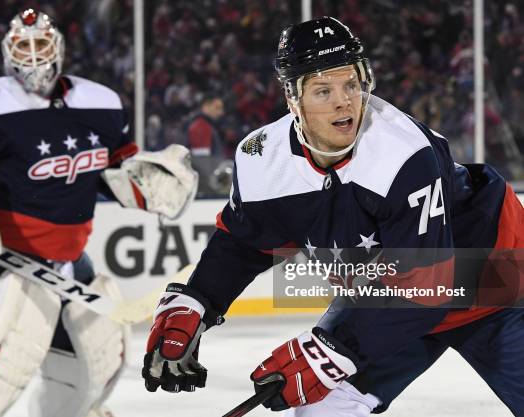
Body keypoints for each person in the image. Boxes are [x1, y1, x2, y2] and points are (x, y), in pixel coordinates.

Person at [141, 17, 524, 416]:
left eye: (350, 85)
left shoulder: (402, 153)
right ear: (293, 100)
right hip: (391, 294)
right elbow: (246, 240)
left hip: (492, 278)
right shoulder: (261, 157)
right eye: (323, 90)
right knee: (321, 411)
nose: (344, 101)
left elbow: (427, 287)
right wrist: (201, 299)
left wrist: (333, 350)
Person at [0, 9, 196, 417]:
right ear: (9, 53)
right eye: (22, 46)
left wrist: (145, 183)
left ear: (58, 48)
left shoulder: (101, 102)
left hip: (71, 264)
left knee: (93, 374)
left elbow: (116, 168)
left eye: (40, 44)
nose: (32, 55)